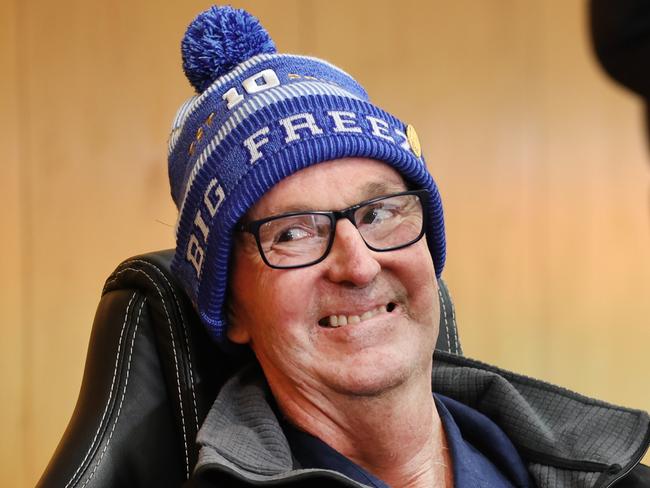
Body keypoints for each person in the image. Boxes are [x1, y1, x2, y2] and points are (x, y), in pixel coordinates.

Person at [167, 6, 650, 487]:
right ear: (230, 306)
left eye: (378, 214)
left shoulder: (603, 474)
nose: (358, 265)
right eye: (293, 233)